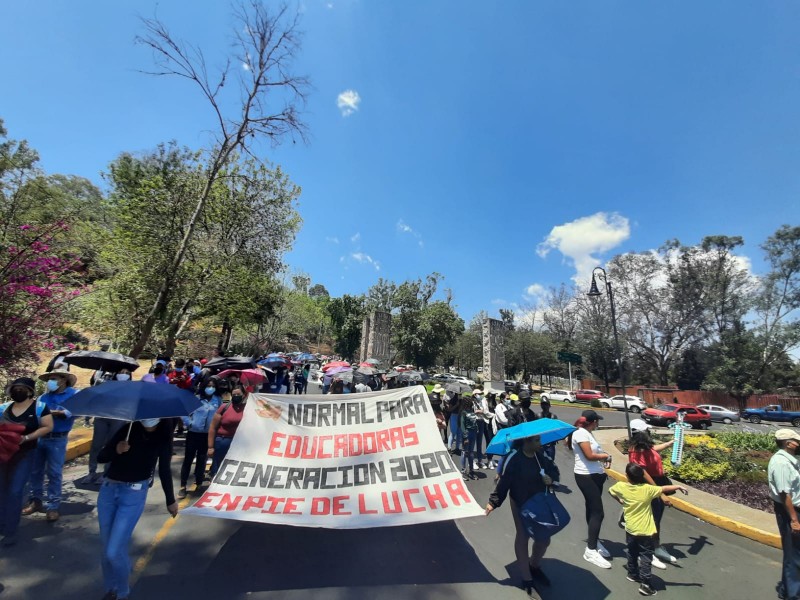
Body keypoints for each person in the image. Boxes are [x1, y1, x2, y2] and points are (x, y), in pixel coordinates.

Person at [97, 419, 178, 600]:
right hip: (109, 490)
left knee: (114, 550)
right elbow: (101, 457)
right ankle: (111, 589)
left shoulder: (163, 437)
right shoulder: (128, 429)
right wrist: (116, 449)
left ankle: (122, 593)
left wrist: (170, 500)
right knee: (106, 550)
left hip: (133, 494)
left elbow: (164, 470)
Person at [485, 434, 560, 593]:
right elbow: (504, 482)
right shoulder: (514, 458)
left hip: (539, 501)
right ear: (526, 442)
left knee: (544, 539)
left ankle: (534, 565)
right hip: (520, 501)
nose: (541, 443)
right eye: (537, 440)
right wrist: (493, 502)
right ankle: (527, 577)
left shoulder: (541, 456)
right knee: (523, 534)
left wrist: (551, 479)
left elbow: (554, 471)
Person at [609, 462, 688, 597]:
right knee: (646, 557)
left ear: (627, 476)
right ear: (642, 477)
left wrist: (620, 501)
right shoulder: (647, 489)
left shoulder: (621, 487)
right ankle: (646, 585)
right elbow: (663, 488)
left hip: (630, 529)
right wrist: (679, 486)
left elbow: (611, 491)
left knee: (632, 552)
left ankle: (632, 574)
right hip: (645, 531)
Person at [0, 377, 54, 546]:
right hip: (3, 454)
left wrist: (27, 437)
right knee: (1, 490)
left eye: (21, 388)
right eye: (15, 388)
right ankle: (2, 524)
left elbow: (47, 426)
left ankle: (10, 531)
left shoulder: (39, 408)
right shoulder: (4, 407)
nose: (17, 391)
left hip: (25, 454)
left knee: (15, 491)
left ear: (30, 391)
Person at [23, 368, 78, 522]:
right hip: (40, 437)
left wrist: (54, 412)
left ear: (63, 379)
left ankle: (53, 506)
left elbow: (75, 412)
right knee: (35, 471)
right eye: (49, 379)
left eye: (54, 378)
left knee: (54, 473)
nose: (50, 382)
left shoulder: (74, 395)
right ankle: (36, 500)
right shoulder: (43, 397)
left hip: (58, 439)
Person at [627, 419, 677, 569]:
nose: (649, 432)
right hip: (650, 486)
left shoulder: (644, 447)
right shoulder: (637, 450)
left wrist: (669, 443)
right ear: (642, 433)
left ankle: (656, 547)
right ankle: (648, 552)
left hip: (657, 482)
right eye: (647, 430)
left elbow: (654, 449)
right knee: (651, 521)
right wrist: (660, 493)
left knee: (657, 519)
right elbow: (642, 473)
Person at [570, 409, 613, 569]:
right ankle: (590, 550)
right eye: (597, 421)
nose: (598, 424)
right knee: (598, 512)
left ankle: (594, 540)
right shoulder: (580, 434)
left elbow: (596, 452)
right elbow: (589, 455)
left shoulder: (587, 433)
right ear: (593, 421)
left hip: (595, 475)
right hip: (585, 476)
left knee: (591, 508)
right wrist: (605, 456)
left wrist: (604, 456)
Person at [77, 370, 131, 485]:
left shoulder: (130, 387)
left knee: (111, 444)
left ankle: (105, 473)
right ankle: (92, 472)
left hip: (118, 418)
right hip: (102, 416)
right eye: (121, 372)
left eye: (126, 372)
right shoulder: (107, 383)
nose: (123, 374)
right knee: (96, 445)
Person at [768, 428, 800, 600]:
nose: (799, 443)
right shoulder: (781, 463)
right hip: (790, 512)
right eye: (797, 441)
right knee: (794, 555)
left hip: (792, 510)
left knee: (793, 552)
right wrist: (794, 520)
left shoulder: (790, 460)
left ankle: (786, 591)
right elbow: (784, 493)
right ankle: (792, 596)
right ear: (788, 443)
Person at [177, 381, 221, 499]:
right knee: (188, 459)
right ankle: (183, 485)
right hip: (193, 433)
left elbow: (220, 415)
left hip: (207, 435)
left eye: (212, 386)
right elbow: (184, 412)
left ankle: (199, 482)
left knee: (202, 459)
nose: (210, 388)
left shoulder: (218, 400)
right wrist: (189, 423)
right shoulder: (196, 399)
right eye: (208, 385)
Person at [208, 385, 247, 478]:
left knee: (235, 469)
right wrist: (210, 447)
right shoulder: (224, 407)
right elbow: (213, 427)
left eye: (238, 394)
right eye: (234, 394)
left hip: (240, 443)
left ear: (244, 395)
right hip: (223, 442)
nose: (236, 396)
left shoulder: (247, 408)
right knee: (218, 467)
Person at [459, 395, 479, 480]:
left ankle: (471, 471)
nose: (472, 402)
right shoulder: (463, 412)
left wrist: (477, 428)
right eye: (471, 401)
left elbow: (474, 421)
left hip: (473, 433)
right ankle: (463, 472)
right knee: (464, 452)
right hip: (467, 433)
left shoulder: (472, 410)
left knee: (471, 453)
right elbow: (462, 425)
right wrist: (465, 436)